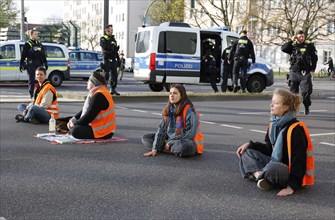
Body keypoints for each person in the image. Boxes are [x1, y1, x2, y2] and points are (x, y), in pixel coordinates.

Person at [236, 88, 314, 197]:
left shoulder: (296, 129)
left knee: (273, 168)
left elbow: (299, 160)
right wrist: (250, 145)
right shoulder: (273, 124)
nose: (271, 105)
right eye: (272, 102)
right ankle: (261, 176)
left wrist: (291, 187)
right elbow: (269, 149)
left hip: (287, 171)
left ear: (285, 107)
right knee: (247, 152)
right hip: (273, 163)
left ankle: (259, 175)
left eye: (276, 103)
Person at [142, 84, 204, 158]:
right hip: (170, 139)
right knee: (146, 138)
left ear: (181, 96)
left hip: (186, 141)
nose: (171, 95)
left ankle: (167, 147)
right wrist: (155, 148)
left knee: (182, 147)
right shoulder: (168, 110)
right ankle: (169, 148)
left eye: (175, 93)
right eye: (170, 93)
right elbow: (161, 130)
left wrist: (170, 142)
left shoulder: (189, 112)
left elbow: (190, 134)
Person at [67, 70, 116, 139]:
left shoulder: (99, 95)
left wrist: (74, 124)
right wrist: (73, 119)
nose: (87, 82)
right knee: (71, 122)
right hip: (104, 129)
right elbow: (87, 110)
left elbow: (88, 117)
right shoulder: (99, 91)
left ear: (94, 83)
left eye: (89, 81)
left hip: (103, 132)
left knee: (75, 130)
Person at [281, 30, 318, 115]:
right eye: (300, 36)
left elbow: (314, 58)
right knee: (293, 92)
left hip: (306, 72)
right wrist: (291, 40)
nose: (302, 38)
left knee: (306, 92)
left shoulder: (309, 45)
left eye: (303, 36)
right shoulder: (292, 45)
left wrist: (312, 69)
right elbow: (283, 48)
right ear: (296, 36)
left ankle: (307, 106)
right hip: (294, 71)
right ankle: (293, 109)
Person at [20, 29, 48, 98]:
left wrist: (45, 62)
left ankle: (40, 94)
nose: (37, 35)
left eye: (37, 34)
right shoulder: (27, 44)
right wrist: (21, 64)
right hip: (31, 64)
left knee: (41, 79)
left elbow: (43, 54)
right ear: (31, 35)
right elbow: (23, 55)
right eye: (35, 34)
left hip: (39, 63)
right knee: (32, 80)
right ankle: (32, 95)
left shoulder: (39, 43)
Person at [100, 24, 120, 96]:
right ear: (106, 30)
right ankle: (104, 89)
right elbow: (105, 47)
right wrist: (112, 48)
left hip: (113, 58)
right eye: (110, 30)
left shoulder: (113, 39)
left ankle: (113, 89)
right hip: (107, 58)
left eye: (112, 30)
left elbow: (115, 50)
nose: (111, 31)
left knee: (114, 74)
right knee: (106, 74)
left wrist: (118, 59)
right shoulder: (103, 38)